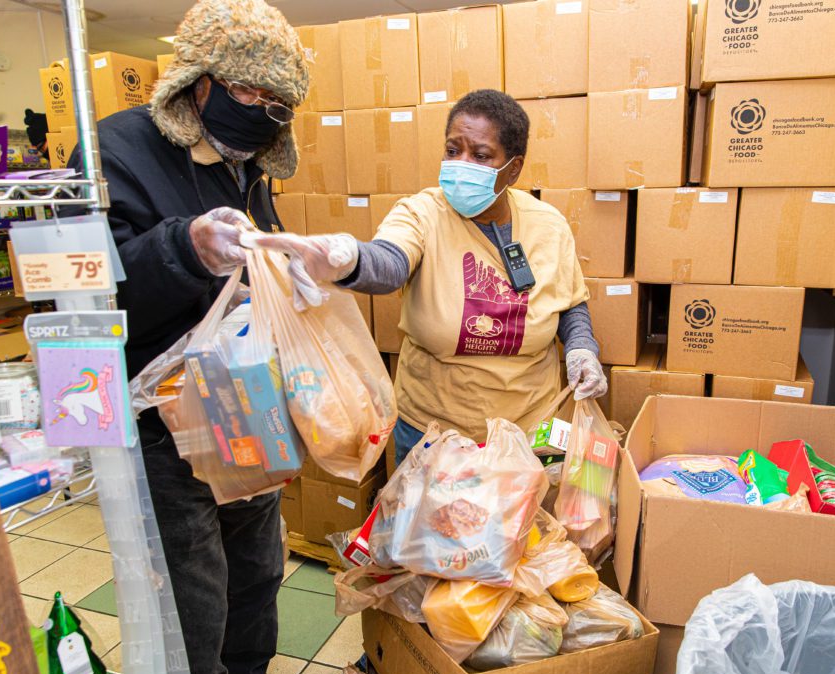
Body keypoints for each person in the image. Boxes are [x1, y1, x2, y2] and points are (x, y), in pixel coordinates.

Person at [65, 1, 308, 674]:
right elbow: (94, 297)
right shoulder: (115, 150)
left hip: (247, 404)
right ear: (197, 81)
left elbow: (252, 266)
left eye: (277, 102)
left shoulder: (245, 160)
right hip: (164, 422)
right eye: (246, 91)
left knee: (257, 574)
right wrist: (187, 247)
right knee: (191, 593)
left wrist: (287, 279)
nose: (260, 110)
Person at [255, 90, 607, 464]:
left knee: (524, 524)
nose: (461, 164)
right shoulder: (421, 213)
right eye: (453, 151)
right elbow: (390, 262)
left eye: (481, 155)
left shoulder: (547, 224)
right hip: (433, 430)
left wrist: (582, 349)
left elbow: (569, 305)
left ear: (514, 169)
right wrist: (349, 260)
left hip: (528, 430)